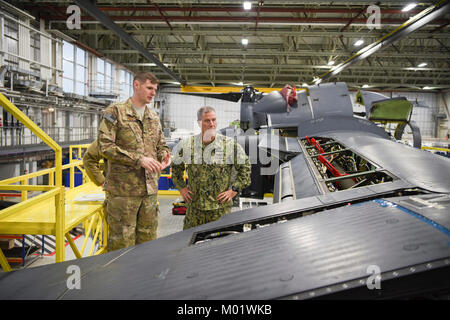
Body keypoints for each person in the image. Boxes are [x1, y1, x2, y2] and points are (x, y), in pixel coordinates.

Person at [97, 72, 171, 252]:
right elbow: (105, 146)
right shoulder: (115, 111)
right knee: (122, 245)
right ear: (136, 85)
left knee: (148, 242)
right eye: (149, 88)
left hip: (149, 191)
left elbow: (161, 144)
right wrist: (139, 160)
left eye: (155, 89)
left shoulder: (153, 116)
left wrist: (165, 155)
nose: (153, 92)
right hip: (123, 193)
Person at [171, 106, 251, 229]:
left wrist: (233, 190)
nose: (212, 124)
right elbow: (176, 168)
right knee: (190, 244)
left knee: (218, 245)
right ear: (199, 123)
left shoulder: (229, 145)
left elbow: (245, 168)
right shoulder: (188, 145)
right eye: (207, 121)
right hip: (194, 210)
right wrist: (181, 188)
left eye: (214, 120)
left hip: (220, 210)